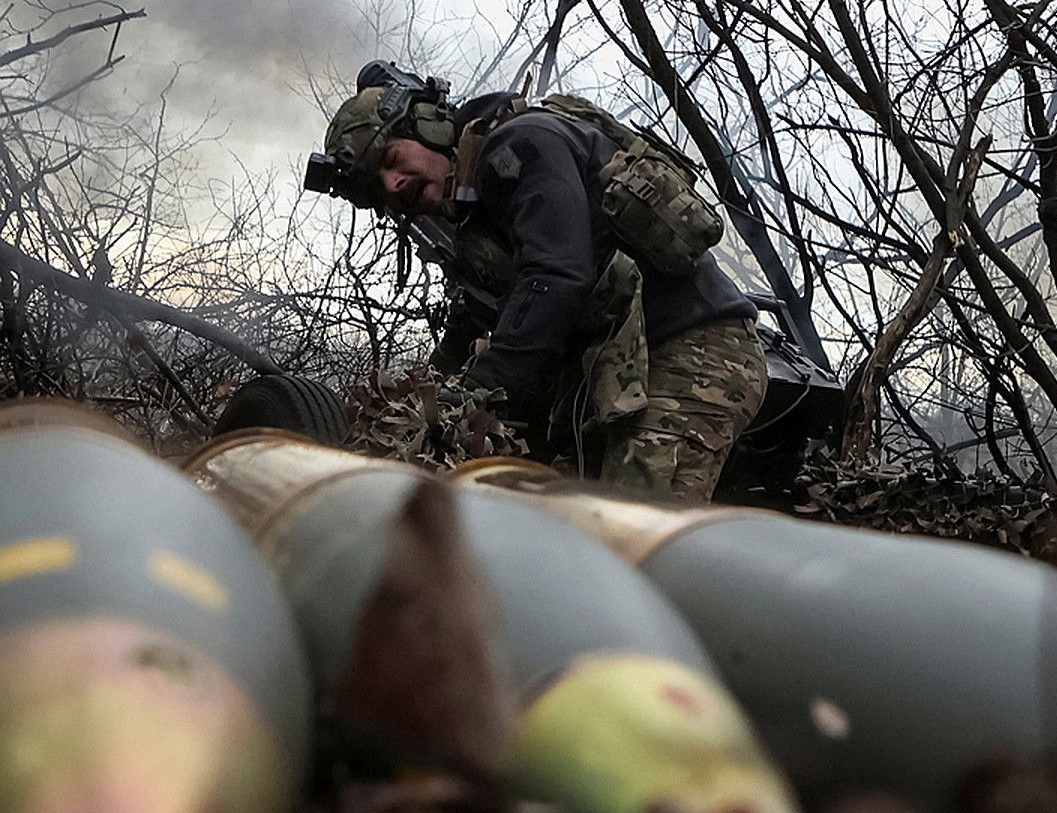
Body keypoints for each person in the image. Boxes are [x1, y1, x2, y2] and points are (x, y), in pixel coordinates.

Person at [310, 62, 766, 502]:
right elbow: (483, 312)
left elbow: (557, 276)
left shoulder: (520, 145)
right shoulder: (478, 210)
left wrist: (472, 392)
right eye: (377, 185)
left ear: (429, 127)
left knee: (631, 541)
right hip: (627, 372)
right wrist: (432, 390)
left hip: (693, 356)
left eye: (391, 157)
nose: (392, 184)